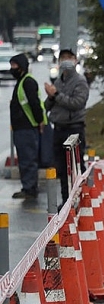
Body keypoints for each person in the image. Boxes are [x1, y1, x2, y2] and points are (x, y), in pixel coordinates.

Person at [44, 48, 89, 206]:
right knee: (62, 168)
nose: (66, 61)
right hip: (59, 128)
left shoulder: (80, 81)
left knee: (76, 167)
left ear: (75, 60)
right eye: (63, 58)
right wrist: (50, 96)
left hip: (74, 129)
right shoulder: (58, 81)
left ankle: (83, 200)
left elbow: (77, 104)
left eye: (69, 58)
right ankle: (66, 201)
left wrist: (56, 95)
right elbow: (48, 105)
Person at [9, 53, 47, 199]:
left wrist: (39, 121)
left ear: (22, 66)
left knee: (28, 159)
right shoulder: (22, 81)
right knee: (26, 158)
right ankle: (29, 186)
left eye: (14, 65)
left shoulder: (27, 82)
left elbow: (35, 104)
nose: (12, 68)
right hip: (22, 128)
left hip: (28, 127)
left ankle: (29, 188)